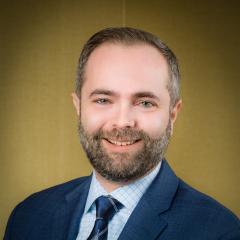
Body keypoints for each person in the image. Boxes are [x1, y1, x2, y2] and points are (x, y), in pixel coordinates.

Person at [4, 27, 240, 240]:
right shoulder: (28, 216)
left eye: (145, 103)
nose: (122, 121)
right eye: (103, 100)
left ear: (173, 113)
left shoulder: (221, 232)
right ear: (78, 106)